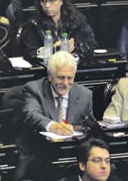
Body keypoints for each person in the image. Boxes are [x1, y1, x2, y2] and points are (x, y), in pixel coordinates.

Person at [17, 51, 94, 180]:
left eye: (70, 78)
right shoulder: (33, 89)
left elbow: (88, 128)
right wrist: (53, 126)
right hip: (37, 152)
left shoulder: (85, 95)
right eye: (61, 77)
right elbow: (31, 114)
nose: (65, 83)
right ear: (50, 76)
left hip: (71, 153)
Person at [19, 0, 97, 57]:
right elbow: (29, 52)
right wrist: (52, 49)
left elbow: (91, 44)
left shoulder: (77, 19)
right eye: (43, 1)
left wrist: (76, 47)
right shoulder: (34, 23)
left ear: (61, 1)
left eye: (52, 1)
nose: (47, 5)